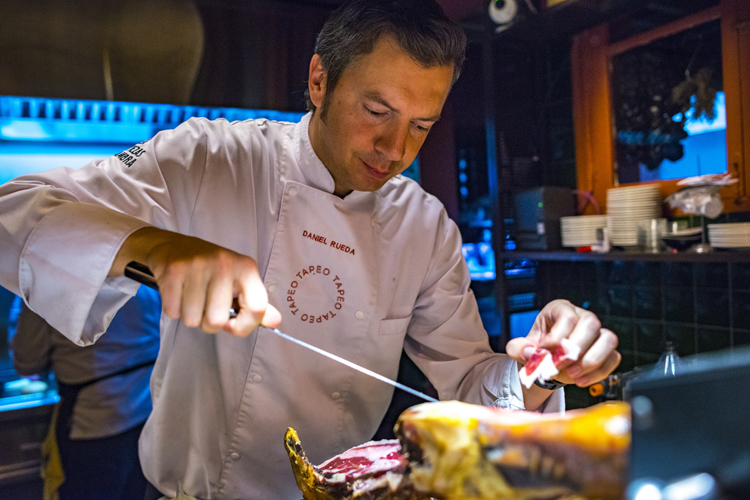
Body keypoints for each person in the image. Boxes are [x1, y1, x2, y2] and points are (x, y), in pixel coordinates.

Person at [0, 1, 620, 498]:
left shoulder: (424, 226)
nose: (395, 149)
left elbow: (468, 384)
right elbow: (15, 209)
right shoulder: (212, 157)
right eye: (376, 110)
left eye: (421, 125)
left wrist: (546, 367)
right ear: (320, 80)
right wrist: (157, 248)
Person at [10, 286, 161, 500]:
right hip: (148, 412)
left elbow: (27, 362)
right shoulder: (144, 276)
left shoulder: (45, 282)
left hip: (93, 422)